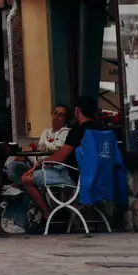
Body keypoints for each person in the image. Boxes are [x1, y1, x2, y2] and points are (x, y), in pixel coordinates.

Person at [19, 95, 95, 224]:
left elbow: (61, 156)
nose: (57, 117)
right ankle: (54, 212)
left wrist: (41, 162)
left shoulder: (76, 131)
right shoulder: (102, 128)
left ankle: (47, 214)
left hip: (73, 176)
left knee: (25, 179)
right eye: (55, 113)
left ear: (77, 111)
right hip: (96, 175)